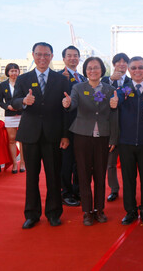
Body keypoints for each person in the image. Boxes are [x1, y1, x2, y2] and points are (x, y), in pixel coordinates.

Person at [12, 42, 70, 229]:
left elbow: (65, 111)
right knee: (31, 177)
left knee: (54, 176)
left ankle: (54, 213)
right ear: (33, 55)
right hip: (30, 135)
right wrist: (24, 101)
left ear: (52, 56)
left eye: (46, 55)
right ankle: (32, 214)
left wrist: (65, 135)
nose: (42, 58)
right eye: (39, 54)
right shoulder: (23, 79)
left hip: (53, 135)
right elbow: (14, 101)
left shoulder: (61, 80)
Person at [62, 57, 118, 226]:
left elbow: (114, 115)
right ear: (85, 71)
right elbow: (72, 104)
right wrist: (67, 103)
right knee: (84, 174)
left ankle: (99, 209)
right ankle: (87, 211)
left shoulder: (110, 89)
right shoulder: (78, 88)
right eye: (89, 68)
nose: (93, 70)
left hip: (103, 137)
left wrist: (114, 137)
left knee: (100, 174)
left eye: (96, 67)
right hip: (82, 136)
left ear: (102, 70)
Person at [113, 56, 143, 225]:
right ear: (129, 70)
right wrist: (114, 101)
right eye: (133, 68)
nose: (137, 71)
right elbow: (116, 102)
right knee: (128, 178)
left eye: (140, 67)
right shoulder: (124, 90)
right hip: (126, 142)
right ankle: (131, 211)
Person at [102, 52, 131, 203]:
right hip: (110, 128)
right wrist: (111, 82)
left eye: (124, 62)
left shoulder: (132, 82)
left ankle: (129, 189)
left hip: (128, 128)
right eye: (118, 62)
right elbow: (98, 99)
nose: (121, 64)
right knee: (110, 163)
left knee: (128, 163)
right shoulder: (105, 80)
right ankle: (114, 189)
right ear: (113, 65)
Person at [60, 45, 84, 207]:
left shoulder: (83, 77)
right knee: (66, 162)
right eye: (69, 56)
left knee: (79, 162)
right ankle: (66, 192)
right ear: (63, 59)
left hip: (82, 127)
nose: (73, 58)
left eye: (75, 55)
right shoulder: (59, 77)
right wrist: (63, 133)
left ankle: (78, 190)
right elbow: (59, 107)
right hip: (67, 127)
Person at [0, 63, 25, 173]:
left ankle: (22, 162)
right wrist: (7, 106)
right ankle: (14, 163)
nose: (14, 73)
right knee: (12, 140)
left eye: (16, 70)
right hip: (9, 115)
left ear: (19, 72)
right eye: (11, 71)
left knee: (22, 140)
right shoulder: (3, 85)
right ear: (8, 72)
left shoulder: (23, 83)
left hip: (22, 115)